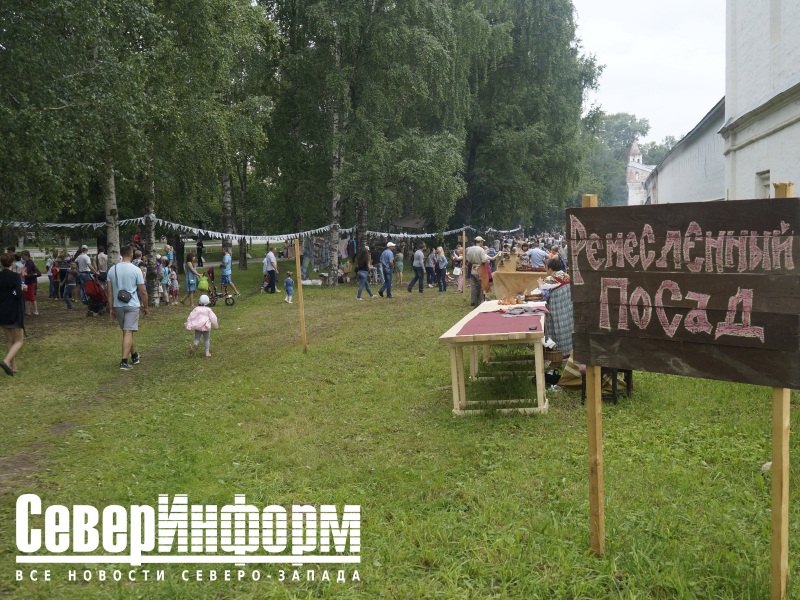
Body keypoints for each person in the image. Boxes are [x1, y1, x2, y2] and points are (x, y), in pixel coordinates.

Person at [106, 244, 148, 370]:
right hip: (132, 304)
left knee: (126, 331)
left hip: (118, 305)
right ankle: (124, 362)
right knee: (128, 332)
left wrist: (111, 308)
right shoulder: (136, 270)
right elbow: (143, 291)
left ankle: (134, 355)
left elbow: (109, 292)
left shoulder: (112, 270)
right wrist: (146, 306)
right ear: (131, 254)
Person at [539, 256, 573, 356]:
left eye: (546, 267)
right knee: (568, 330)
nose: (545, 269)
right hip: (567, 309)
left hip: (556, 310)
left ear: (550, 268)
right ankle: (569, 352)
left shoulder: (550, 279)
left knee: (557, 329)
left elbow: (543, 295)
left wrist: (540, 284)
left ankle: (558, 353)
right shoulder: (566, 275)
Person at [0, 253, 26, 376]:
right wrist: (22, 288)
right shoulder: (15, 276)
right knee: (19, 341)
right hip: (14, 311)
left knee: (10, 340)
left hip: (2, 311)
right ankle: (6, 361)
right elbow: (18, 294)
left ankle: (13, 367)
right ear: (12, 263)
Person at [466, 236, 491, 307]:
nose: (482, 243)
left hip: (473, 269)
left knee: (474, 286)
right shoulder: (481, 249)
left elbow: (469, 260)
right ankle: (480, 302)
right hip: (480, 269)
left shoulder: (470, 249)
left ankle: (473, 301)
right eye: (482, 241)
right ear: (480, 241)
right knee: (481, 286)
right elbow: (484, 260)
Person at [20, 251, 41, 316]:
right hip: (27, 281)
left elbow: (26, 271)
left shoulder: (29, 262)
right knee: (26, 296)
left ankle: (35, 311)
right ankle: (28, 311)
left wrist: (20, 271)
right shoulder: (26, 262)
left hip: (30, 281)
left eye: (23, 255)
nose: (22, 257)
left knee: (31, 295)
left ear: (26, 255)